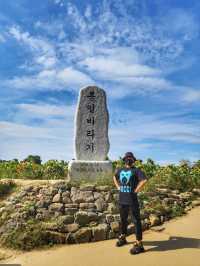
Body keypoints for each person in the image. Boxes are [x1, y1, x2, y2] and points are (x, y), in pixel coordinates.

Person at [113, 152, 148, 255]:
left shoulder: (136, 170)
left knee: (136, 221)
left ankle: (139, 243)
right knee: (123, 220)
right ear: (124, 159)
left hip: (132, 200)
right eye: (127, 158)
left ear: (133, 160)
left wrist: (137, 190)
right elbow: (114, 177)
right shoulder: (120, 170)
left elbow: (144, 180)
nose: (129, 160)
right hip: (122, 199)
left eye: (131, 158)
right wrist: (118, 186)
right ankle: (123, 237)